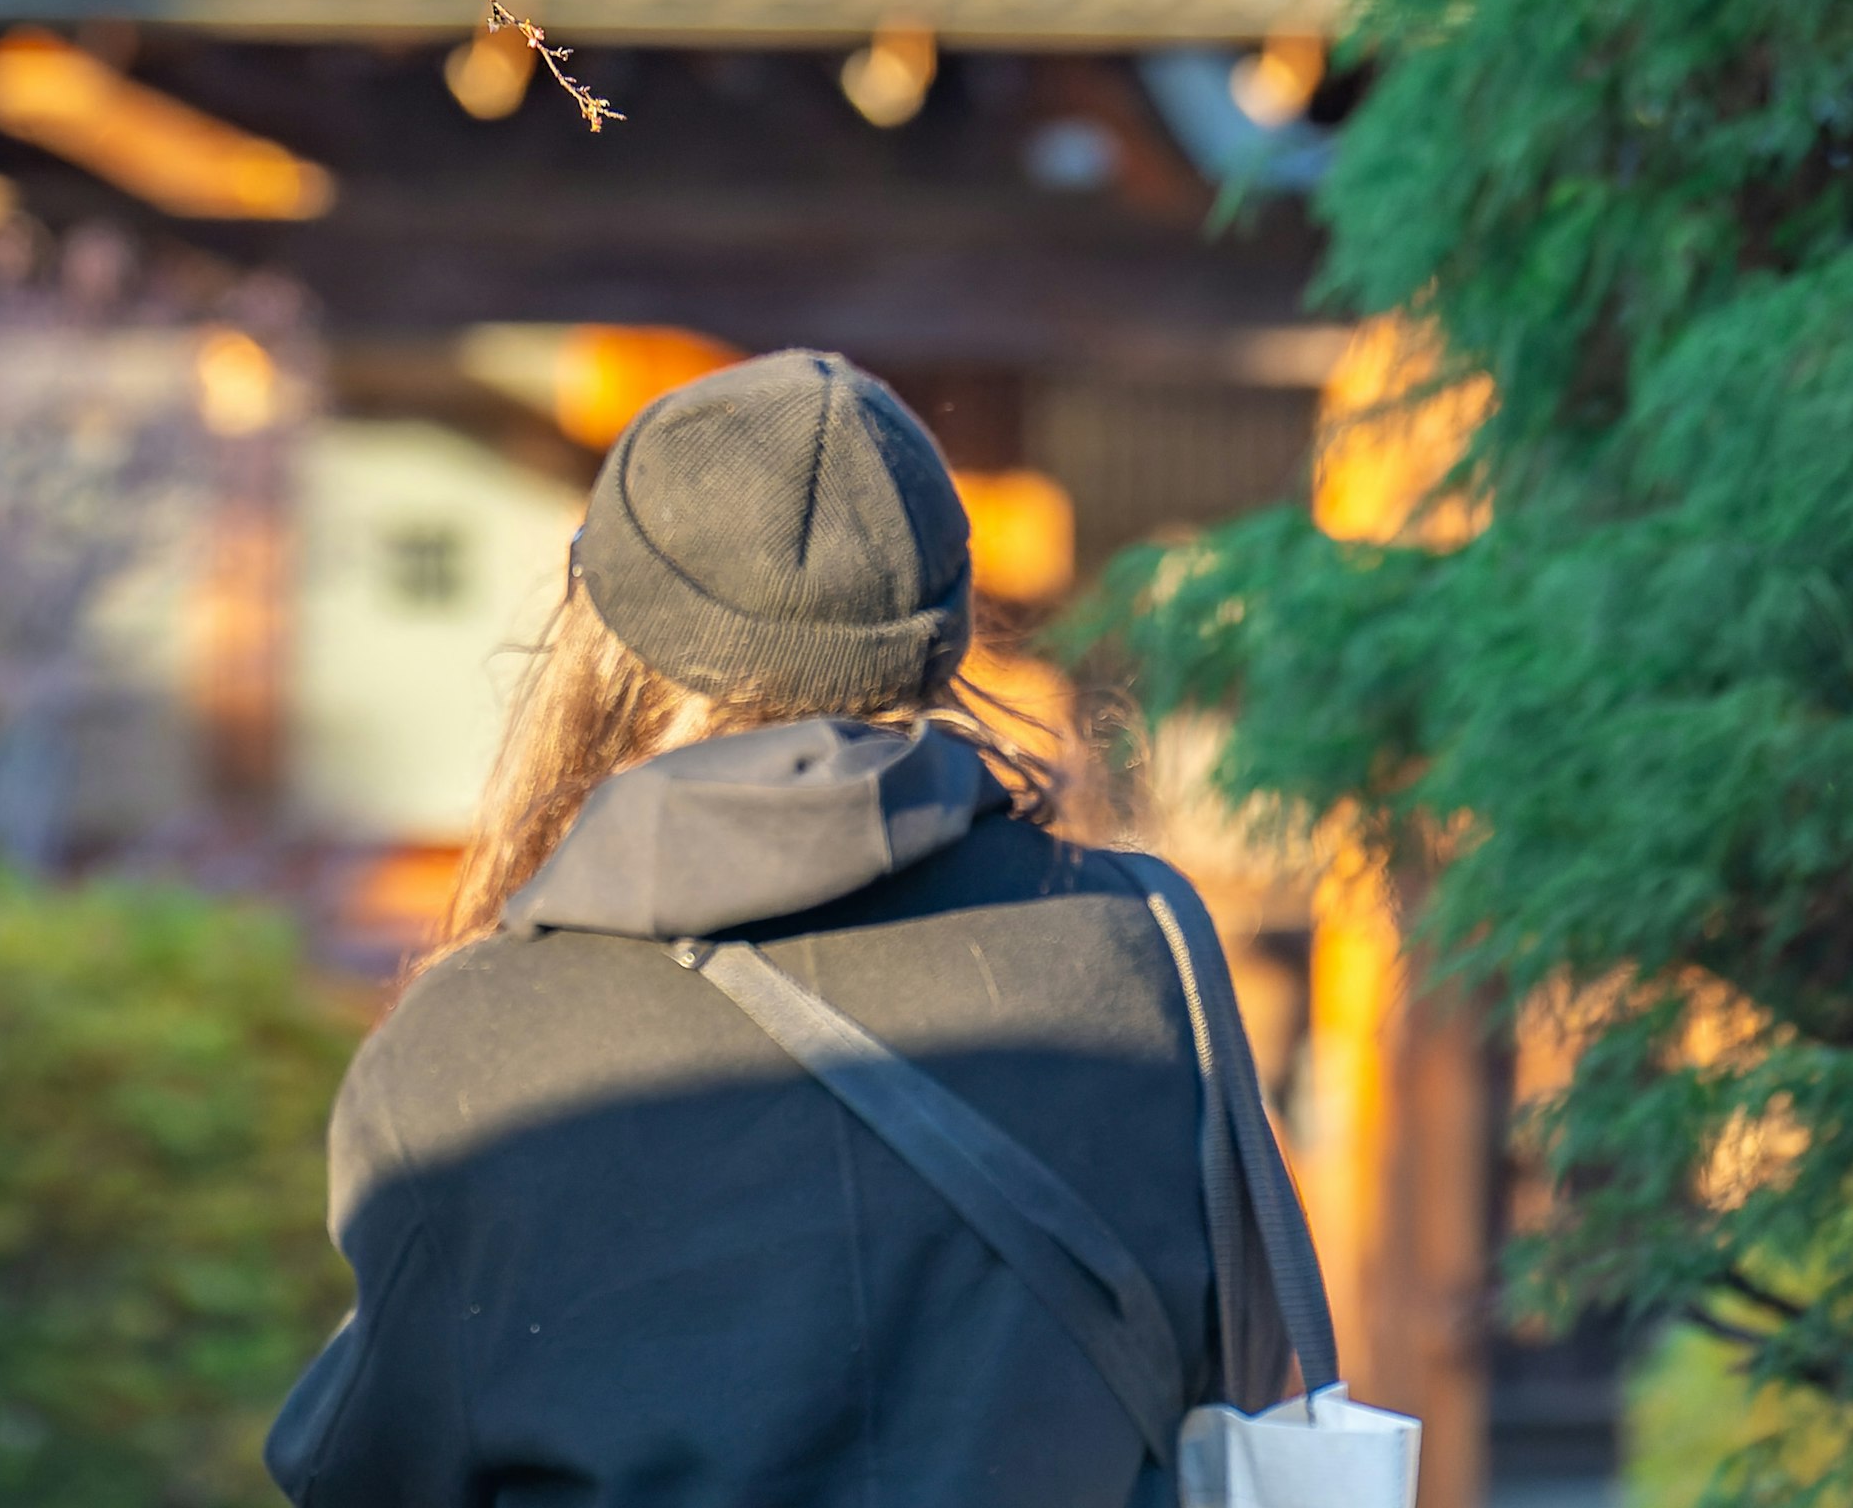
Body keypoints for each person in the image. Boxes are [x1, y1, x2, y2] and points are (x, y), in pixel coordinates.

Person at [266, 346, 1328, 1508]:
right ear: (946, 626)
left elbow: (372, 1469)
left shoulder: (471, 1045)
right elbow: (1235, 1369)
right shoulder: (1140, 947)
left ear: (607, 629)